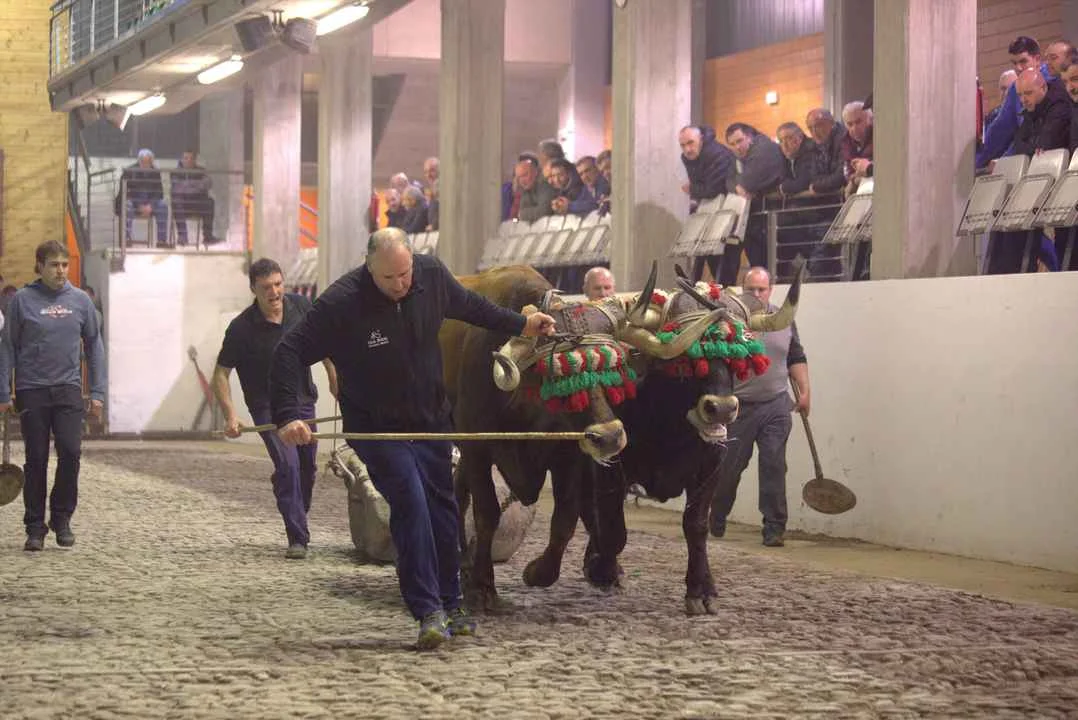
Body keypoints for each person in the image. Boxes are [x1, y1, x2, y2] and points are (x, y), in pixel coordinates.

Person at [269, 228, 556, 650]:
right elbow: (289, 351)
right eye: (388, 278)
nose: (400, 284)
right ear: (370, 268)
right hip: (376, 428)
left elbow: (472, 307)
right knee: (411, 502)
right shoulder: (341, 302)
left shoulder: (431, 275)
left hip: (429, 420)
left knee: (443, 509)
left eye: (405, 274)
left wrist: (522, 324)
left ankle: (452, 602)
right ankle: (428, 611)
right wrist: (288, 415)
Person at [212, 258, 338, 559]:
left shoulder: (301, 307)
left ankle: (287, 490)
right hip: (267, 408)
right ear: (253, 289)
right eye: (266, 287)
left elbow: (324, 345)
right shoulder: (241, 328)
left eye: (279, 284)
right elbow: (221, 374)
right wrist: (231, 415)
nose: (275, 292)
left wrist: (334, 377)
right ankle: (298, 538)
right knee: (289, 465)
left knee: (307, 468)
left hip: (302, 400)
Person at [0, 241, 105, 551]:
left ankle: (61, 518)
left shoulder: (81, 301)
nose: (60, 271)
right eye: (54, 265)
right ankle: (35, 526)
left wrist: (97, 391)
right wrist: (4, 391)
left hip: (68, 389)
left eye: (64, 265)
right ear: (40, 266)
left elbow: (95, 346)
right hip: (32, 390)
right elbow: (8, 347)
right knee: (36, 458)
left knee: (70, 452)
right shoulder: (22, 301)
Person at [709, 267, 809, 548]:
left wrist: (805, 392)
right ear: (742, 290)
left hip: (775, 404)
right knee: (729, 469)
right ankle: (717, 513)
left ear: (771, 290)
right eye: (750, 289)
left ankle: (774, 527)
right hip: (738, 408)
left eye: (761, 289)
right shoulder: (728, 321)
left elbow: (795, 356)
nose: (755, 294)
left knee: (773, 465)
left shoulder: (784, 319)